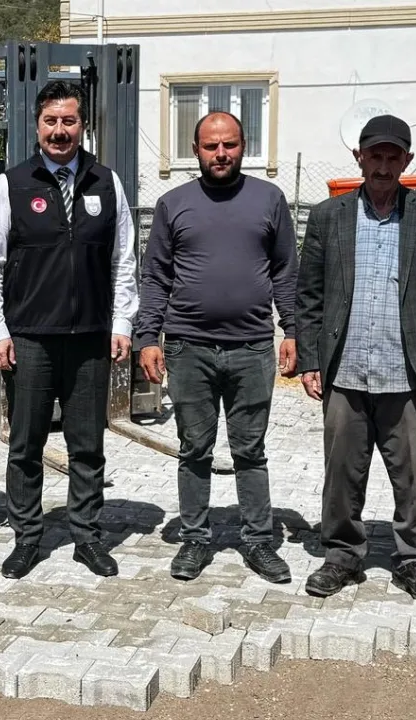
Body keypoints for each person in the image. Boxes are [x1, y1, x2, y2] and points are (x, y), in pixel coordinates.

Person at [0, 80, 138, 579]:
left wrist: (122, 322)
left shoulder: (106, 182)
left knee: (88, 444)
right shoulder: (13, 184)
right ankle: (27, 538)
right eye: (51, 121)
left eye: (69, 120)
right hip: (30, 338)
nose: (60, 130)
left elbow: (123, 260)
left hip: (90, 339)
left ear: (82, 125)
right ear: (37, 126)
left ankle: (87, 537)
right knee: (26, 445)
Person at [295, 114, 416, 605]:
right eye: (375, 156)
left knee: (412, 474)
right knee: (342, 471)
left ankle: (414, 559)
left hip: (406, 369)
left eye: (393, 157)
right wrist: (310, 359)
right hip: (345, 369)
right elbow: (309, 294)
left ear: (407, 160)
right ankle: (342, 554)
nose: (384, 166)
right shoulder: (329, 216)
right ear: (359, 158)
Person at [138, 111, 298, 583]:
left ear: (243, 146)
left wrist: (293, 330)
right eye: (211, 146)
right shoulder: (173, 204)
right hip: (188, 347)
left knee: (251, 449)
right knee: (194, 448)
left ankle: (258, 540)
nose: (221, 154)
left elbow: (286, 270)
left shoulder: (269, 199)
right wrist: (148, 337)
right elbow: (156, 276)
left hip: (252, 347)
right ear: (196, 150)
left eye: (230, 144)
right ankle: (194, 538)